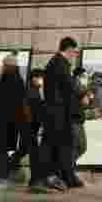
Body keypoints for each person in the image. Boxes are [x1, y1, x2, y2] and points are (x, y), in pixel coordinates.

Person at [38, 37, 82, 191]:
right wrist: (81, 96)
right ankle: (55, 177)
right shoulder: (60, 63)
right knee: (58, 146)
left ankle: (63, 177)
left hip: (55, 112)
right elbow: (67, 88)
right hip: (58, 112)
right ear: (68, 50)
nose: (75, 55)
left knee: (58, 145)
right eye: (74, 52)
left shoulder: (55, 62)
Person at [0, 54, 32, 188]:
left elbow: (0, 97)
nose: (3, 66)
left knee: (2, 148)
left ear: (8, 65)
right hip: (15, 118)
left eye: (4, 64)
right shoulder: (18, 78)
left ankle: (4, 172)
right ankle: (7, 169)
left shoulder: (5, 78)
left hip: (5, 118)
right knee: (8, 147)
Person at [26, 69, 55, 193]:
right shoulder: (32, 92)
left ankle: (35, 181)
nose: (41, 81)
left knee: (35, 155)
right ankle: (36, 182)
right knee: (36, 156)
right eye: (40, 78)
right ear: (34, 78)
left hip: (32, 127)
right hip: (33, 127)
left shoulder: (34, 91)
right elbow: (36, 110)